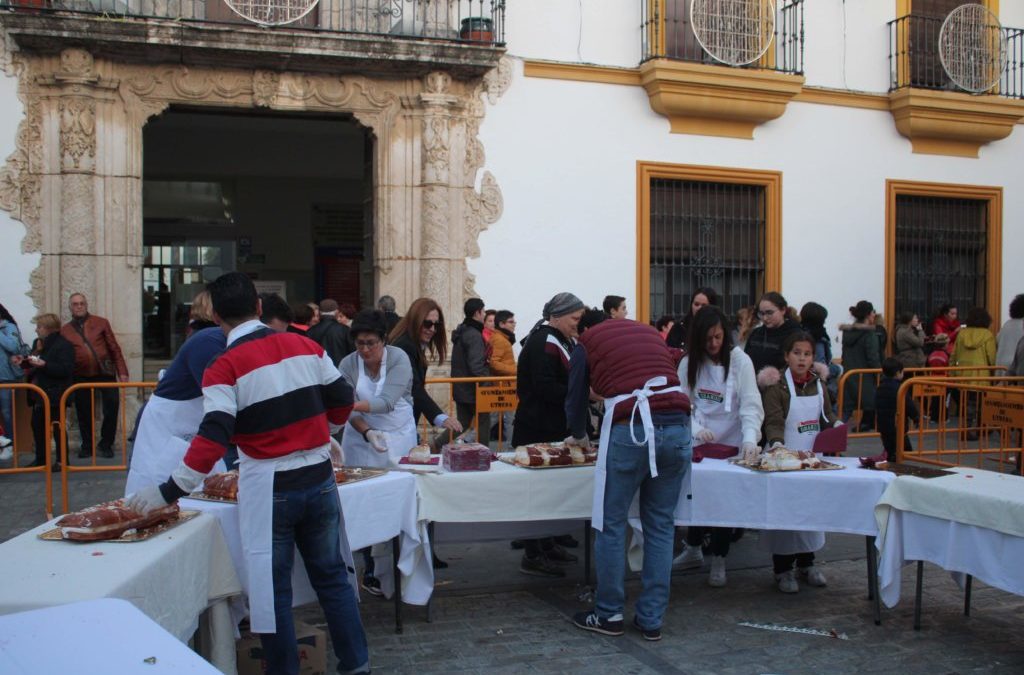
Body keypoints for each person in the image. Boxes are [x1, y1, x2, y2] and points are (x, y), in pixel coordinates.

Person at [126, 272, 369, 675]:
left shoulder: (223, 367)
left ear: (217, 316)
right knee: (332, 578)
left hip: (269, 484)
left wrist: (170, 489)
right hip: (318, 476)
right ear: (258, 307)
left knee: (272, 592)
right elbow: (343, 398)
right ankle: (357, 664)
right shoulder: (305, 345)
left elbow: (213, 434)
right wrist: (322, 430)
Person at [565, 315, 691, 640]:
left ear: (585, 330)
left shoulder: (586, 342)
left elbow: (575, 396)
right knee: (661, 525)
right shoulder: (648, 332)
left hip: (632, 428)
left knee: (611, 524)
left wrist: (579, 434)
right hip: (677, 424)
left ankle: (608, 614)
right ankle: (651, 619)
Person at [673, 306, 763, 587]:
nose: (714, 344)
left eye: (718, 337)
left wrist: (750, 437)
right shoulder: (689, 363)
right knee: (697, 495)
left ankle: (720, 556)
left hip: (732, 439)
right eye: (708, 339)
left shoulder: (741, 362)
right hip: (701, 441)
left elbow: (750, 404)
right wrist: (696, 429)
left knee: (725, 498)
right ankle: (693, 547)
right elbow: (680, 405)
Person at [338, 309, 417, 596]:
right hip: (360, 439)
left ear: (383, 340)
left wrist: (345, 405)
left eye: (371, 342)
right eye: (360, 344)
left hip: (397, 435)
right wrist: (365, 431)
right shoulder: (348, 363)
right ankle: (369, 566)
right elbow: (346, 404)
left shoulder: (399, 359)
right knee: (362, 502)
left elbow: (386, 402)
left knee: (394, 502)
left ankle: (398, 564)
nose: (365, 349)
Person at [513, 293, 586, 577]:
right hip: (537, 426)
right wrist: (580, 394)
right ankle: (533, 552)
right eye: (575, 319)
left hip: (551, 425)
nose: (578, 324)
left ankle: (548, 542)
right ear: (556, 316)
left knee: (552, 492)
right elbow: (543, 386)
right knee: (537, 494)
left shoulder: (558, 339)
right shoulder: (545, 340)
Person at [761, 331, 840, 592]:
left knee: (810, 511)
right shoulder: (777, 387)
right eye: (797, 353)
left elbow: (826, 416)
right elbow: (773, 420)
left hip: (813, 460)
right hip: (784, 459)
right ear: (786, 356)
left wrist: (836, 427)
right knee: (785, 514)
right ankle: (782, 569)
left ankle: (808, 562)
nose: (802, 359)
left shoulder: (818, 384)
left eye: (807, 354)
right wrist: (776, 443)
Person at [124, 325, 228, 495]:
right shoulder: (207, 344)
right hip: (165, 435)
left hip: (194, 436)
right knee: (153, 498)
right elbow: (220, 401)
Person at [61, 293, 129, 459]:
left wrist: (122, 371)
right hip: (80, 375)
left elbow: (114, 348)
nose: (79, 306)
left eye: (82, 303)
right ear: (70, 307)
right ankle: (87, 445)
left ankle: (106, 444)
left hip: (104, 372)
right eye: (75, 304)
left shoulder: (101, 323)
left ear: (86, 305)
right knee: (83, 412)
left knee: (112, 407)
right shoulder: (65, 331)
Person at [388, 298, 463, 445]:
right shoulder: (404, 345)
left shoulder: (413, 344)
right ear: (416, 320)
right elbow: (413, 386)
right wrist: (440, 416)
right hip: (395, 421)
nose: (433, 329)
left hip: (403, 419)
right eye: (428, 323)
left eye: (436, 325)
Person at [10, 314, 74, 471]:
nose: (36, 329)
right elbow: (33, 361)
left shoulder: (63, 345)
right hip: (39, 392)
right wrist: (23, 361)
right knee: (37, 425)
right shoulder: (38, 343)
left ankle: (62, 461)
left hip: (56, 393)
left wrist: (44, 365)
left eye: (39, 326)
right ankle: (41, 459)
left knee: (58, 427)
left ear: (48, 328)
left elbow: (65, 369)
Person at [951, 307, 997, 439]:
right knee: (982, 404)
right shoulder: (988, 335)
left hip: (963, 375)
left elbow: (954, 355)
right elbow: (991, 357)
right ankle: (982, 428)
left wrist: (953, 372)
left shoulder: (962, 334)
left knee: (967, 404)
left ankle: (967, 430)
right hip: (982, 375)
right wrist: (994, 372)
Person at [450, 298, 490, 445]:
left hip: (461, 386)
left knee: (463, 422)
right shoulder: (474, 334)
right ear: (477, 313)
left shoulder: (463, 331)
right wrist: (488, 381)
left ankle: (437, 443)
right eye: (483, 311)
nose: (485, 314)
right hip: (474, 389)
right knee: (484, 421)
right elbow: (476, 366)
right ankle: (485, 454)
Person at [839, 301, 882, 430]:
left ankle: (834, 436)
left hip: (849, 375)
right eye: (873, 312)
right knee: (871, 404)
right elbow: (873, 357)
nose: (875, 315)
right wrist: (880, 373)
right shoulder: (869, 334)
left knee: (845, 411)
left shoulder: (848, 332)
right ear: (869, 314)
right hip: (866, 377)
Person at [745, 292, 801, 376]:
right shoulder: (756, 333)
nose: (764, 318)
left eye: (769, 313)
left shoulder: (795, 335)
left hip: (781, 386)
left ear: (783, 310)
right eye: (761, 313)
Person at [876, 357, 920, 462]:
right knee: (904, 449)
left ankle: (891, 461)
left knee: (890, 448)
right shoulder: (900, 389)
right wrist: (916, 417)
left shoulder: (880, 387)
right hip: (897, 425)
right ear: (897, 373)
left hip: (883, 425)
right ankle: (897, 467)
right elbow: (909, 404)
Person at [0, 302, 28, 458]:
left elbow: (13, 347)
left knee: (6, 413)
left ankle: (9, 448)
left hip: (6, 379)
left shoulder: (8, 327)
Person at [799, 302, 841, 403]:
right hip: (821, 389)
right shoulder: (818, 339)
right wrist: (838, 369)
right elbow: (820, 368)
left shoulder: (798, 334)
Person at [488, 310, 517, 445]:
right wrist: (515, 371)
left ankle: (467, 439)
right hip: (503, 385)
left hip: (504, 385)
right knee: (507, 418)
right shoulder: (500, 340)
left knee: (497, 417)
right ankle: (512, 446)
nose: (514, 324)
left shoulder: (502, 338)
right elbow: (494, 363)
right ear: (501, 324)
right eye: (511, 322)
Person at [306, 299, 353, 367]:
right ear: (337, 312)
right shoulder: (345, 330)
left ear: (319, 313)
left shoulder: (310, 331)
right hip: (340, 371)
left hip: (318, 372)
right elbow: (353, 354)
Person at [996, 294, 1024, 371]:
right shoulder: (1021, 324)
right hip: (1016, 366)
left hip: (1000, 364)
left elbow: (997, 340)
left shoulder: (1007, 325)